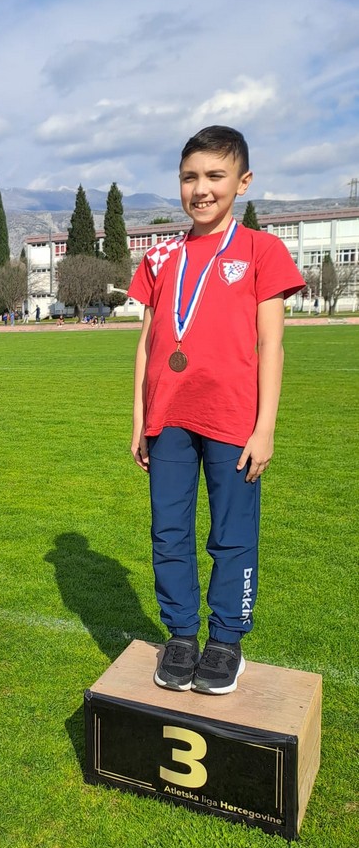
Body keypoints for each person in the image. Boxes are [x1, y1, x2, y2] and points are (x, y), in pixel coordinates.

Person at [129, 126, 304, 694]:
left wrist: (265, 427)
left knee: (232, 535)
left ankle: (227, 640)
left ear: (243, 182)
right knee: (168, 532)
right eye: (189, 177)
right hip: (168, 419)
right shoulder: (160, 256)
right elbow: (148, 342)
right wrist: (140, 418)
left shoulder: (262, 251)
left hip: (233, 420)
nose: (200, 189)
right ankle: (181, 635)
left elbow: (271, 344)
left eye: (214, 176)